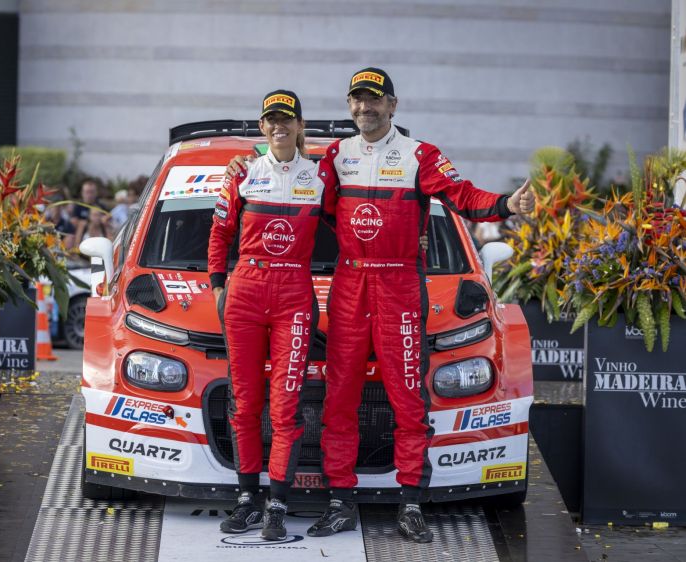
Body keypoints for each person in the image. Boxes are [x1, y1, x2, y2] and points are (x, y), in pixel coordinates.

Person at [227, 68, 534, 544]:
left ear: (392, 104)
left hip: (400, 286)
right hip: (350, 283)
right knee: (339, 399)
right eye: (357, 99)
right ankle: (340, 502)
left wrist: (506, 204)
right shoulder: (336, 156)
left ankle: (410, 504)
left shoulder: (420, 155)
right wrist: (245, 162)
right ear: (350, 105)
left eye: (374, 99)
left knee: (408, 399)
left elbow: (462, 195)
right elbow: (296, 184)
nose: (364, 107)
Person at [208, 90, 332, 541]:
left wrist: (414, 240)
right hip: (245, 290)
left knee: (284, 406)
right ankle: (246, 499)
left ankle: (277, 504)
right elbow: (219, 232)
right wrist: (218, 285)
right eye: (271, 120)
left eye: (287, 119)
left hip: (293, 294)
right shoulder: (242, 173)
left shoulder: (320, 176)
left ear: (300, 126)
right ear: (262, 127)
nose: (279, 126)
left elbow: (359, 217)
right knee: (244, 403)